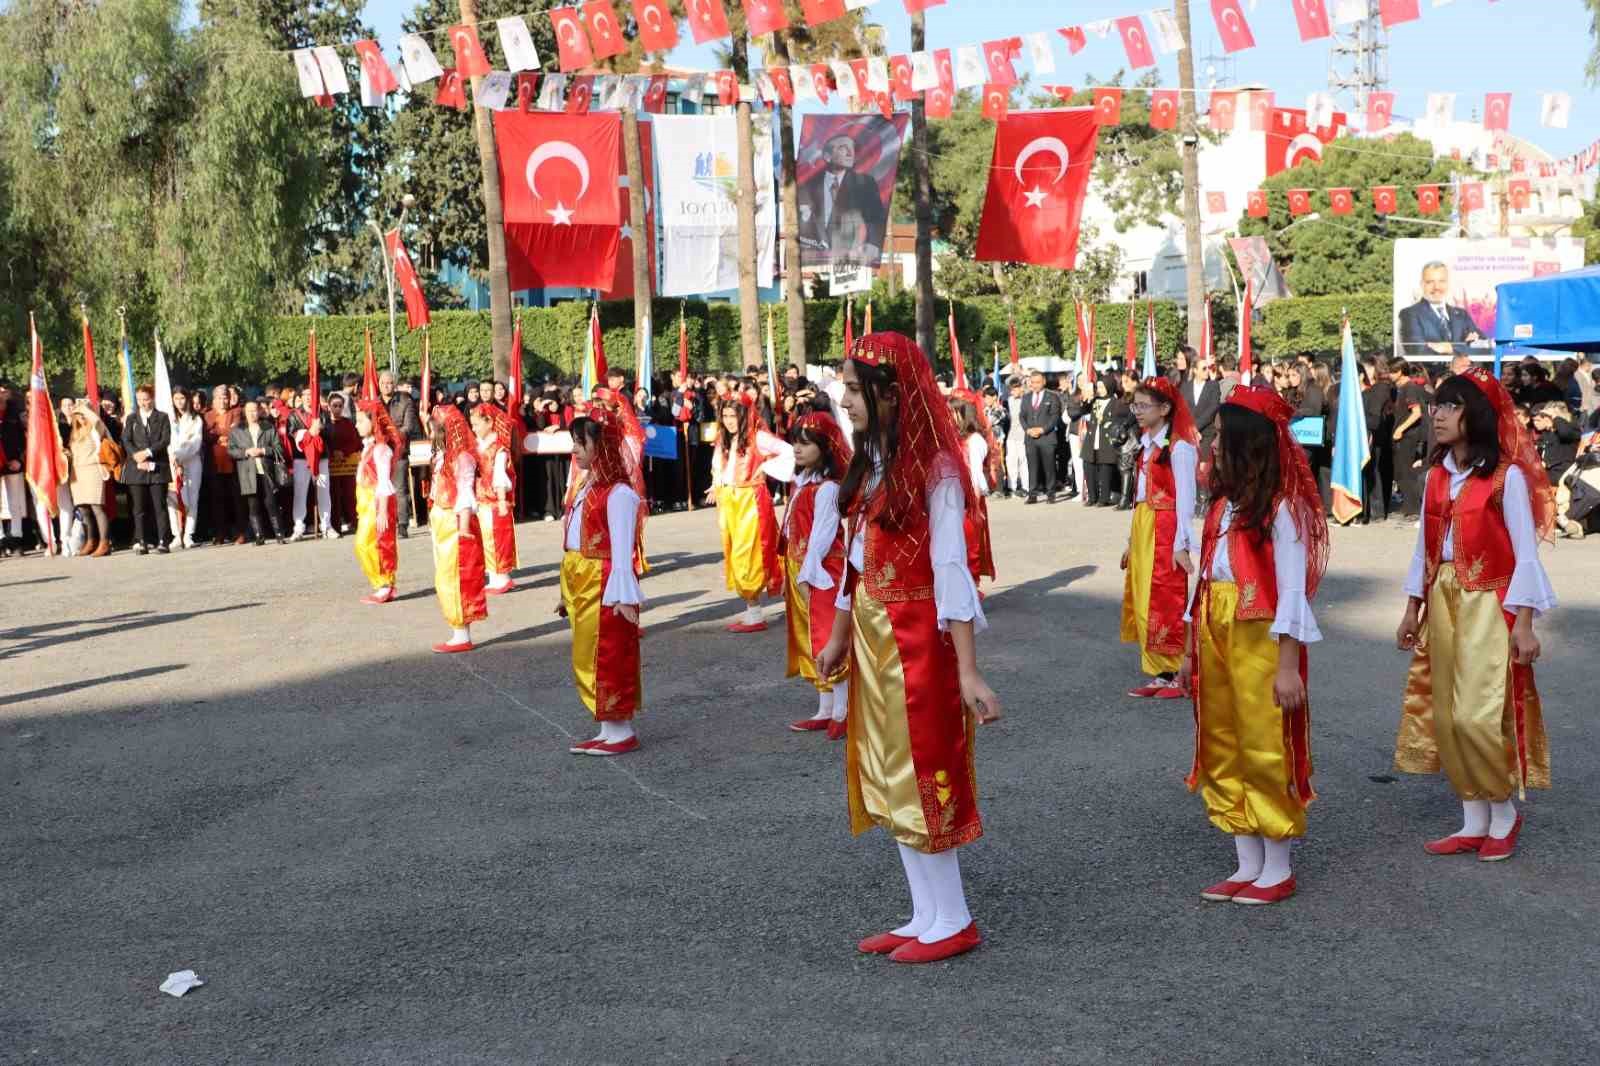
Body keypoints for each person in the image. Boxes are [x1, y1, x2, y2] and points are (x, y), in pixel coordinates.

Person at [814, 331, 1001, 965]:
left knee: (924, 771)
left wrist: (968, 670)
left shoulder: (938, 469)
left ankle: (954, 917)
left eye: (853, 388)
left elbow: (953, 568)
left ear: (890, 394)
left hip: (919, 640)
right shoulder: (874, 461)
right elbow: (857, 560)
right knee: (887, 771)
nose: (845, 400)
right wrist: (840, 632)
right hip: (874, 636)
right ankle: (925, 913)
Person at [1393, 367, 1556, 862]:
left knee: (1478, 713)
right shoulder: (1438, 475)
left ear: (1476, 415)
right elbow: (1425, 545)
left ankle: (1503, 812)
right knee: (1445, 710)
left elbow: (1526, 554)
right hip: (1442, 595)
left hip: (1490, 599)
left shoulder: (1506, 477)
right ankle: (1473, 819)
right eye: (1438, 406)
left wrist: (1524, 623)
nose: (1438, 415)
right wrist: (1411, 609)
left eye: (1451, 406)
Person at [1179, 385, 1328, 905]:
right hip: (1215, 627)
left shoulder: (1281, 509)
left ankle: (1278, 864)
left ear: (1250, 443)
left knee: (1264, 741)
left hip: (1260, 634)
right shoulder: (1223, 506)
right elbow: (1202, 578)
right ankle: (1246, 860)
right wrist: (1187, 651)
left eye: (1223, 435)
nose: (1214, 444)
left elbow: (1292, 590)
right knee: (1221, 739)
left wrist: (1288, 666)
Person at [561, 396, 647, 757]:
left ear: (603, 446)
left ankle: (620, 728)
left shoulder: (620, 493)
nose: (576, 450)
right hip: (585, 578)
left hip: (606, 580)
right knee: (587, 652)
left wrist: (624, 595)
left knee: (608, 653)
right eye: (576, 443)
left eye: (582, 443)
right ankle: (607, 726)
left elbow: (624, 551)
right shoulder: (588, 487)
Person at [1120, 377, 1199, 699]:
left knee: (1165, 598)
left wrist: (1182, 544)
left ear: (1165, 409)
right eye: (1134, 405)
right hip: (1144, 524)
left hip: (1165, 528)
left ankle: (1176, 671)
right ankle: (1160, 671)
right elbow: (1140, 496)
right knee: (1142, 597)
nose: (1137, 411)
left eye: (1144, 405)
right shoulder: (1147, 443)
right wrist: (1130, 541)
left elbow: (1186, 500)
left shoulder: (1178, 448)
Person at [782, 411, 853, 738]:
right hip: (802, 566)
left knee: (827, 636)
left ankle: (843, 709)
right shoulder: (802, 483)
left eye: (806, 443)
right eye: (795, 441)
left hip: (823, 569)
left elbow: (823, 535)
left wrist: (809, 573)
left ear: (824, 447)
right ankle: (825, 707)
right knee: (810, 636)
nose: (797, 448)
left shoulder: (827, 488)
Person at [707, 395, 794, 632]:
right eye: (724, 416)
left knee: (749, 554)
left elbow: (788, 451)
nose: (729, 421)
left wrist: (765, 468)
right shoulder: (723, 438)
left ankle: (757, 613)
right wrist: (717, 485)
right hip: (729, 502)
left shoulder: (759, 438)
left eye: (733, 416)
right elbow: (720, 468)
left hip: (750, 502)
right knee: (735, 551)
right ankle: (753, 610)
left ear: (743, 416)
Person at [427, 405, 488, 653]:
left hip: (454, 523)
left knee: (455, 576)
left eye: (433, 427)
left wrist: (463, 526)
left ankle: (461, 632)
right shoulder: (445, 454)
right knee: (444, 574)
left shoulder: (462, 457)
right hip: (442, 519)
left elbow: (465, 491)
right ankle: (457, 629)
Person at [798, 132, 888, 268]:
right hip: (816, 261)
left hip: (853, 259)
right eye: (843, 148)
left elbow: (876, 219)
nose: (850, 153)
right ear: (827, 156)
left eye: (852, 148)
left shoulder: (865, 183)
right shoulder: (808, 186)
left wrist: (871, 249)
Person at [949, 392, 999, 593]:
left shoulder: (975, 440)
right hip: (955, 500)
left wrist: (974, 506)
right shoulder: (954, 438)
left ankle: (972, 590)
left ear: (963, 415)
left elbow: (976, 475)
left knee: (970, 547)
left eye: (952, 413)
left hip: (971, 501)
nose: (948, 417)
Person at [353, 400, 400, 605]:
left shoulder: (381, 450)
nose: (357, 425)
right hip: (366, 503)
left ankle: (384, 583)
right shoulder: (370, 447)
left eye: (360, 421)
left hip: (376, 502)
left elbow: (384, 482)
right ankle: (382, 584)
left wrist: (381, 511)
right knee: (366, 543)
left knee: (373, 543)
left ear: (373, 423)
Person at [471, 402, 518, 595]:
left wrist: (500, 500)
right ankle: (494, 575)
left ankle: (501, 577)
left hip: (494, 501)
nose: (474, 428)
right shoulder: (481, 446)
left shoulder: (498, 449)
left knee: (497, 539)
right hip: (483, 499)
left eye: (476, 424)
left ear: (489, 422)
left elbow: (500, 475)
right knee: (487, 538)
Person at [227, 400, 287, 546]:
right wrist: (246, 452)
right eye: (250, 411)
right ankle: (259, 536)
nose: (253, 414)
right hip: (247, 472)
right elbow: (231, 450)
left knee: (271, 503)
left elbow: (279, 448)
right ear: (244, 413)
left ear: (259, 411)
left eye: (255, 410)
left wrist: (263, 450)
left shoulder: (268, 427)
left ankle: (279, 534)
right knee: (253, 505)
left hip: (266, 471)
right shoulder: (237, 430)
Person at [122, 384, 173, 554]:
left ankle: (163, 540)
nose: (143, 403)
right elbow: (126, 440)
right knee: (139, 507)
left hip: (157, 466)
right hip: (137, 467)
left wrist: (148, 452)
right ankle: (141, 540)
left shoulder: (163, 417)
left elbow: (165, 440)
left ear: (152, 398)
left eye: (146, 399)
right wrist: (136, 456)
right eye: (139, 400)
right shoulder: (131, 418)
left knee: (159, 506)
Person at [1398, 261, 1481, 357]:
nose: (1437, 287)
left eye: (1442, 281)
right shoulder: (1409, 314)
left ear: (1448, 283)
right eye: (1430, 282)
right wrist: (1463, 347)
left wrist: (1450, 348)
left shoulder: (1461, 314)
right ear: (1422, 284)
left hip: (1464, 371)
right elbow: (1418, 351)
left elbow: (1483, 345)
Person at [379, 371, 423, 539]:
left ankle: (402, 524)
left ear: (395, 384)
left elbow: (409, 426)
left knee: (400, 488)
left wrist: (393, 435)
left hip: (399, 450)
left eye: (389, 383)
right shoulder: (375, 402)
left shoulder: (405, 400)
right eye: (383, 383)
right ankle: (384, 522)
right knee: (381, 488)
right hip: (380, 451)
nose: (386, 386)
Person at [288, 389, 335, 540]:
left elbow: (331, 433)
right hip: (301, 459)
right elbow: (292, 435)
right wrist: (309, 433)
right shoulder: (294, 415)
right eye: (306, 396)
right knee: (300, 493)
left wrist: (321, 428)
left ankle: (326, 526)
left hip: (321, 458)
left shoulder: (323, 413)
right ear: (301, 398)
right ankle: (299, 527)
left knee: (324, 491)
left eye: (311, 395)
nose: (309, 398)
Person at [67, 402, 112, 557]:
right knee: (83, 509)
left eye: (83, 415)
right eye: (77, 415)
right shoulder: (74, 433)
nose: (80, 418)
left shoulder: (95, 430)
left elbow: (98, 421)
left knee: (97, 507)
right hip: (77, 473)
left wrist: (85, 408)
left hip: (93, 470)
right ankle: (90, 541)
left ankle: (104, 542)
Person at [1388, 358, 1428, 519]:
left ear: (1400, 372)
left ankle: (1413, 509)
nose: (1389, 375)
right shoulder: (1399, 388)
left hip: (1408, 437)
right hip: (1402, 436)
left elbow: (1416, 413)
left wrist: (1400, 429)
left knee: (1406, 472)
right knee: (1400, 472)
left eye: (1392, 372)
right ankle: (1408, 506)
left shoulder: (1409, 388)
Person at [203, 388, 243, 545]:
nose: (223, 401)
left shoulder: (236, 412)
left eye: (225, 398)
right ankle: (220, 533)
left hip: (233, 463)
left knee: (236, 500)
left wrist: (217, 433)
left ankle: (240, 532)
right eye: (219, 398)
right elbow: (206, 435)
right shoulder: (208, 415)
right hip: (214, 463)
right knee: (217, 500)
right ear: (214, 400)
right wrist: (221, 435)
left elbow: (236, 431)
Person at [166, 387, 204, 549]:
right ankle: (176, 535)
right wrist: (174, 459)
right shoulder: (168, 419)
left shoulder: (196, 420)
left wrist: (180, 456)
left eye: (182, 398)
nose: (180, 402)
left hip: (191, 462)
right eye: (176, 399)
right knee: (172, 498)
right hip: (172, 464)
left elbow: (195, 443)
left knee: (191, 498)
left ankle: (188, 534)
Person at [1019, 371, 1064, 504]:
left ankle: (1051, 494)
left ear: (1043, 382)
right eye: (1032, 382)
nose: (1035, 385)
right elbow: (1022, 416)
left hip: (1047, 438)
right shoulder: (1026, 397)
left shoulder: (1052, 397)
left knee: (1049, 467)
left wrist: (1042, 429)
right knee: (1032, 467)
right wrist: (1027, 429)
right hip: (1030, 438)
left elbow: (1055, 416)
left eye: (1038, 382)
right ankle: (1032, 494)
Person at [325, 393, 361, 535]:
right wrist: (333, 452)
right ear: (329, 407)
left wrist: (344, 452)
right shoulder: (325, 424)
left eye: (340, 406)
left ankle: (354, 523)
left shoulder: (348, 423)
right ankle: (335, 526)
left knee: (350, 495)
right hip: (332, 466)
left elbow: (356, 442)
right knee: (334, 496)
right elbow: (324, 441)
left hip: (347, 465)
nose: (338, 409)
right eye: (335, 406)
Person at [1002, 378, 1030, 499]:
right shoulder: (1008, 401)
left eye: (1016, 388)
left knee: (1023, 462)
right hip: (1011, 436)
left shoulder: (1027, 400)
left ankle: (1026, 487)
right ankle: (1012, 487)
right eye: (1012, 389)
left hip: (1023, 435)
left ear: (1021, 388)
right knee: (1011, 461)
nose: (1013, 391)